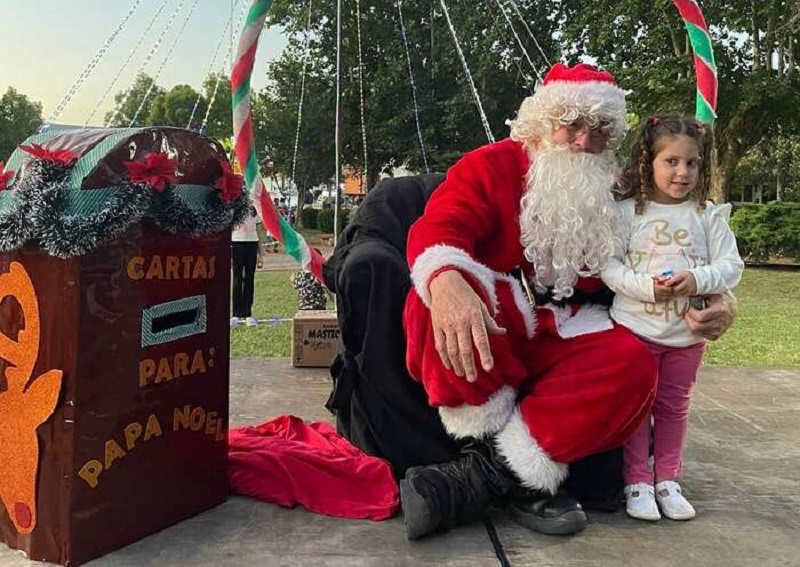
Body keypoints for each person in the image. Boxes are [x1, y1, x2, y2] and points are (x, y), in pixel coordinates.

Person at [398, 63, 736, 540]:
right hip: (502, 324)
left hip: (578, 329)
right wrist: (447, 281)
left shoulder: (620, 188)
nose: (582, 142)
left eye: (598, 130)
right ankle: (503, 468)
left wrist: (722, 301)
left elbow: (679, 248)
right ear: (541, 122)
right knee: (435, 300)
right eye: (572, 124)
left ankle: (485, 476)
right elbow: (439, 229)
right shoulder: (489, 165)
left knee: (636, 363)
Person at [601, 115, 744, 522]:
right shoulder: (628, 213)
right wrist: (647, 288)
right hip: (635, 330)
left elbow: (731, 266)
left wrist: (697, 279)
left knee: (674, 406)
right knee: (637, 406)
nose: (682, 172)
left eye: (692, 163)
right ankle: (637, 481)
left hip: (685, 335)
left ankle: (668, 479)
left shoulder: (708, 215)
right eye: (671, 161)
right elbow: (608, 267)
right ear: (649, 163)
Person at [231, 204, 261, 327]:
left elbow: (259, 231)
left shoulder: (255, 207)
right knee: (237, 279)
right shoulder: (233, 206)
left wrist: (261, 255)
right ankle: (236, 314)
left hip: (252, 244)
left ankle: (247, 313)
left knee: (249, 278)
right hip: (236, 243)